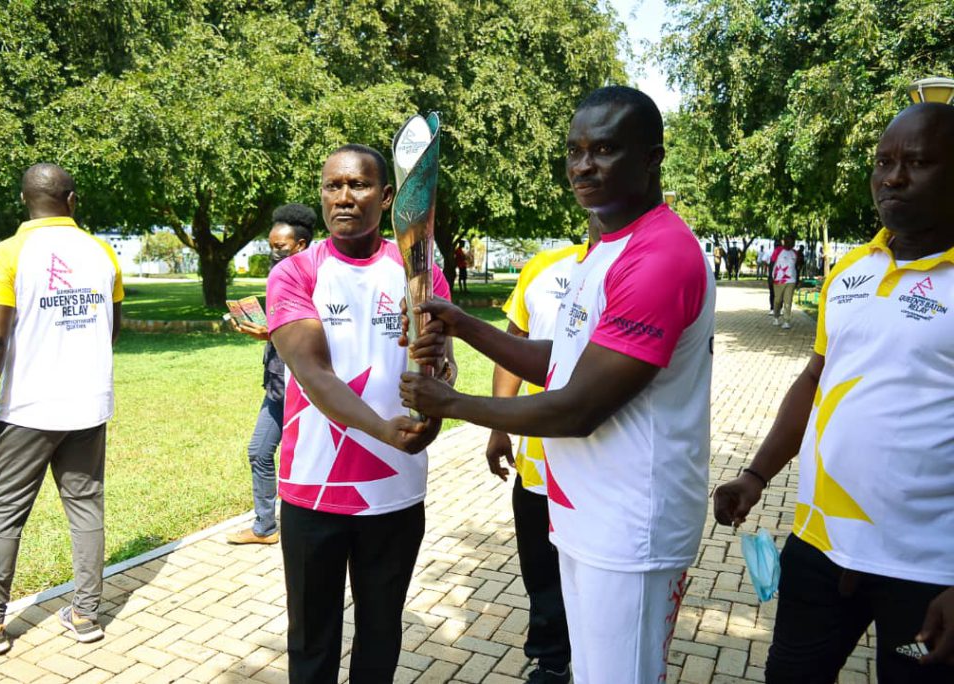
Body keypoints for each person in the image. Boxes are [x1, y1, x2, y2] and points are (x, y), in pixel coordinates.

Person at [399, 86, 715, 683]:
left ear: (652, 157)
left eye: (605, 149)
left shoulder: (660, 255)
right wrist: (463, 323)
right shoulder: (606, 248)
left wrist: (457, 403)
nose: (583, 166)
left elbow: (578, 408)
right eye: (574, 151)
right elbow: (563, 363)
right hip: (586, 511)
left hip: (632, 526)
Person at [713, 102, 954, 682]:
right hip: (820, 553)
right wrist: (755, 475)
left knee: (915, 674)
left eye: (916, 162)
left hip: (926, 579)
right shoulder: (852, 271)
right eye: (883, 161)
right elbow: (816, 379)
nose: (891, 178)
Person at [266, 144, 456, 682]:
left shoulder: (420, 273)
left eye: (359, 185)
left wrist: (437, 378)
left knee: (380, 633)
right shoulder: (295, 274)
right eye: (333, 186)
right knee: (311, 641)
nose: (344, 197)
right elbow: (314, 374)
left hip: (394, 491)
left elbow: (444, 369)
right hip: (313, 488)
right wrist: (384, 431)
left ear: (388, 196)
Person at [0, 164, 123, 654]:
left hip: (27, 408)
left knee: (6, 513)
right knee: (86, 508)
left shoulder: (7, 253)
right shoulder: (102, 251)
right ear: (72, 200)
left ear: (26, 201)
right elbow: (110, 327)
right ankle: (87, 615)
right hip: (89, 407)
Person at [486, 219, 601, 683]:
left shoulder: (639, 268)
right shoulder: (543, 266)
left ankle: (599, 661)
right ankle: (551, 661)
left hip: (602, 464)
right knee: (541, 572)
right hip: (538, 465)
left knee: (595, 576)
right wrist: (498, 426)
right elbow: (514, 345)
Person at [225, 204, 315, 545]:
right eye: (270, 246)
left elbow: (312, 333)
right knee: (259, 452)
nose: (274, 253)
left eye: (281, 247)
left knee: (305, 458)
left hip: (307, 390)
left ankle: (306, 522)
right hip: (278, 386)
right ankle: (265, 527)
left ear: (301, 244)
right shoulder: (280, 278)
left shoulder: (314, 278)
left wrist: (270, 334)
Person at [772, 236, 798, 329]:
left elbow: (796, 267)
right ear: (785, 242)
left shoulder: (795, 253)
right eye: (790, 242)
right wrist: (770, 277)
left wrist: (797, 279)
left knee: (788, 301)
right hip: (779, 280)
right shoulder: (778, 250)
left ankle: (786, 321)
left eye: (793, 242)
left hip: (791, 280)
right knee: (777, 300)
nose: (792, 244)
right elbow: (772, 263)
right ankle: (776, 317)